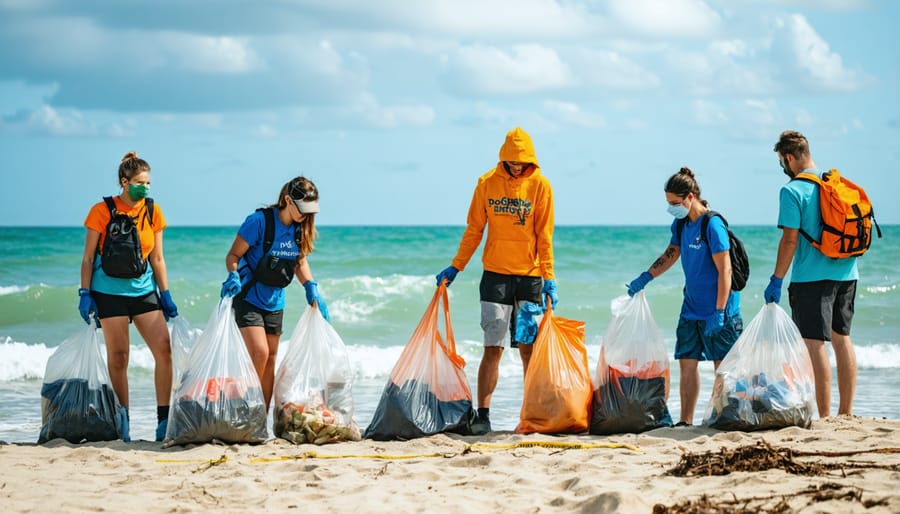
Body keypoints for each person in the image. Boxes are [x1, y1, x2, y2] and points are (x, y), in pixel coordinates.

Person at [435, 126, 557, 436]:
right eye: (512, 162)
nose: (517, 167)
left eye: (522, 162)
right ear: (503, 159)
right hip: (496, 277)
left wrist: (549, 278)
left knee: (528, 349)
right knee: (493, 348)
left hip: (529, 279)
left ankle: (531, 412)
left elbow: (545, 235)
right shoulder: (487, 184)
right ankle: (484, 414)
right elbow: (474, 229)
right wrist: (456, 266)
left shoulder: (541, 186)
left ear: (530, 160)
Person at [626, 167, 743, 426]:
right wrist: (646, 277)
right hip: (691, 309)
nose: (671, 208)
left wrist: (720, 311)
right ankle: (685, 421)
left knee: (722, 368)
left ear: (691, 196)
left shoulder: (712, 225)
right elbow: (670, 254)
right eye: (668, 203)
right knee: (687, 365)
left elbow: (726, 270)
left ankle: (724, 418)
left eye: (675, 203)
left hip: (719, 310)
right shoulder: (680, 224)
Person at [79, 151, 179, 442]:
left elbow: (157, 258)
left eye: (147, 183)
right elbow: (87, 259)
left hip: (143, 291)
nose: (145, 188)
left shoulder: (152, 210)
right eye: (139, 182)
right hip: (108, 293)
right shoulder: (101, 210)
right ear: (124, 182)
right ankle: (122, 418)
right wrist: (85, 293)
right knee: (119, 357)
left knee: (164, 349)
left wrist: (166, 293)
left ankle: (163, 420)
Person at [765, 130, 858, 418]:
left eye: (783, 162)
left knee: (815, 344)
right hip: (847, 271)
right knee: (842, 339)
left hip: (811, 277)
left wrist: (777, 278)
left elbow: (790, 240)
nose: (784, 167)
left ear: (789, 158)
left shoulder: (792, 191)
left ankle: (825, 415)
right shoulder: (836, 183)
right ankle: (846, 412)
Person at [220, 176, 330, 412]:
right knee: (259, 354)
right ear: (288, 200)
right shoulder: (258, 222)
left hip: (275, 301)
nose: (306, 215)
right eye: (303, 209)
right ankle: (242, 409)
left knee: (270, 359)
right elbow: (233, 256)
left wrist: (310, 286)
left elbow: (299, 262)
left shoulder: (301, 229)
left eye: (311, 211)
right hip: (248, 296)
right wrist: (233, 275)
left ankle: (260, 417)